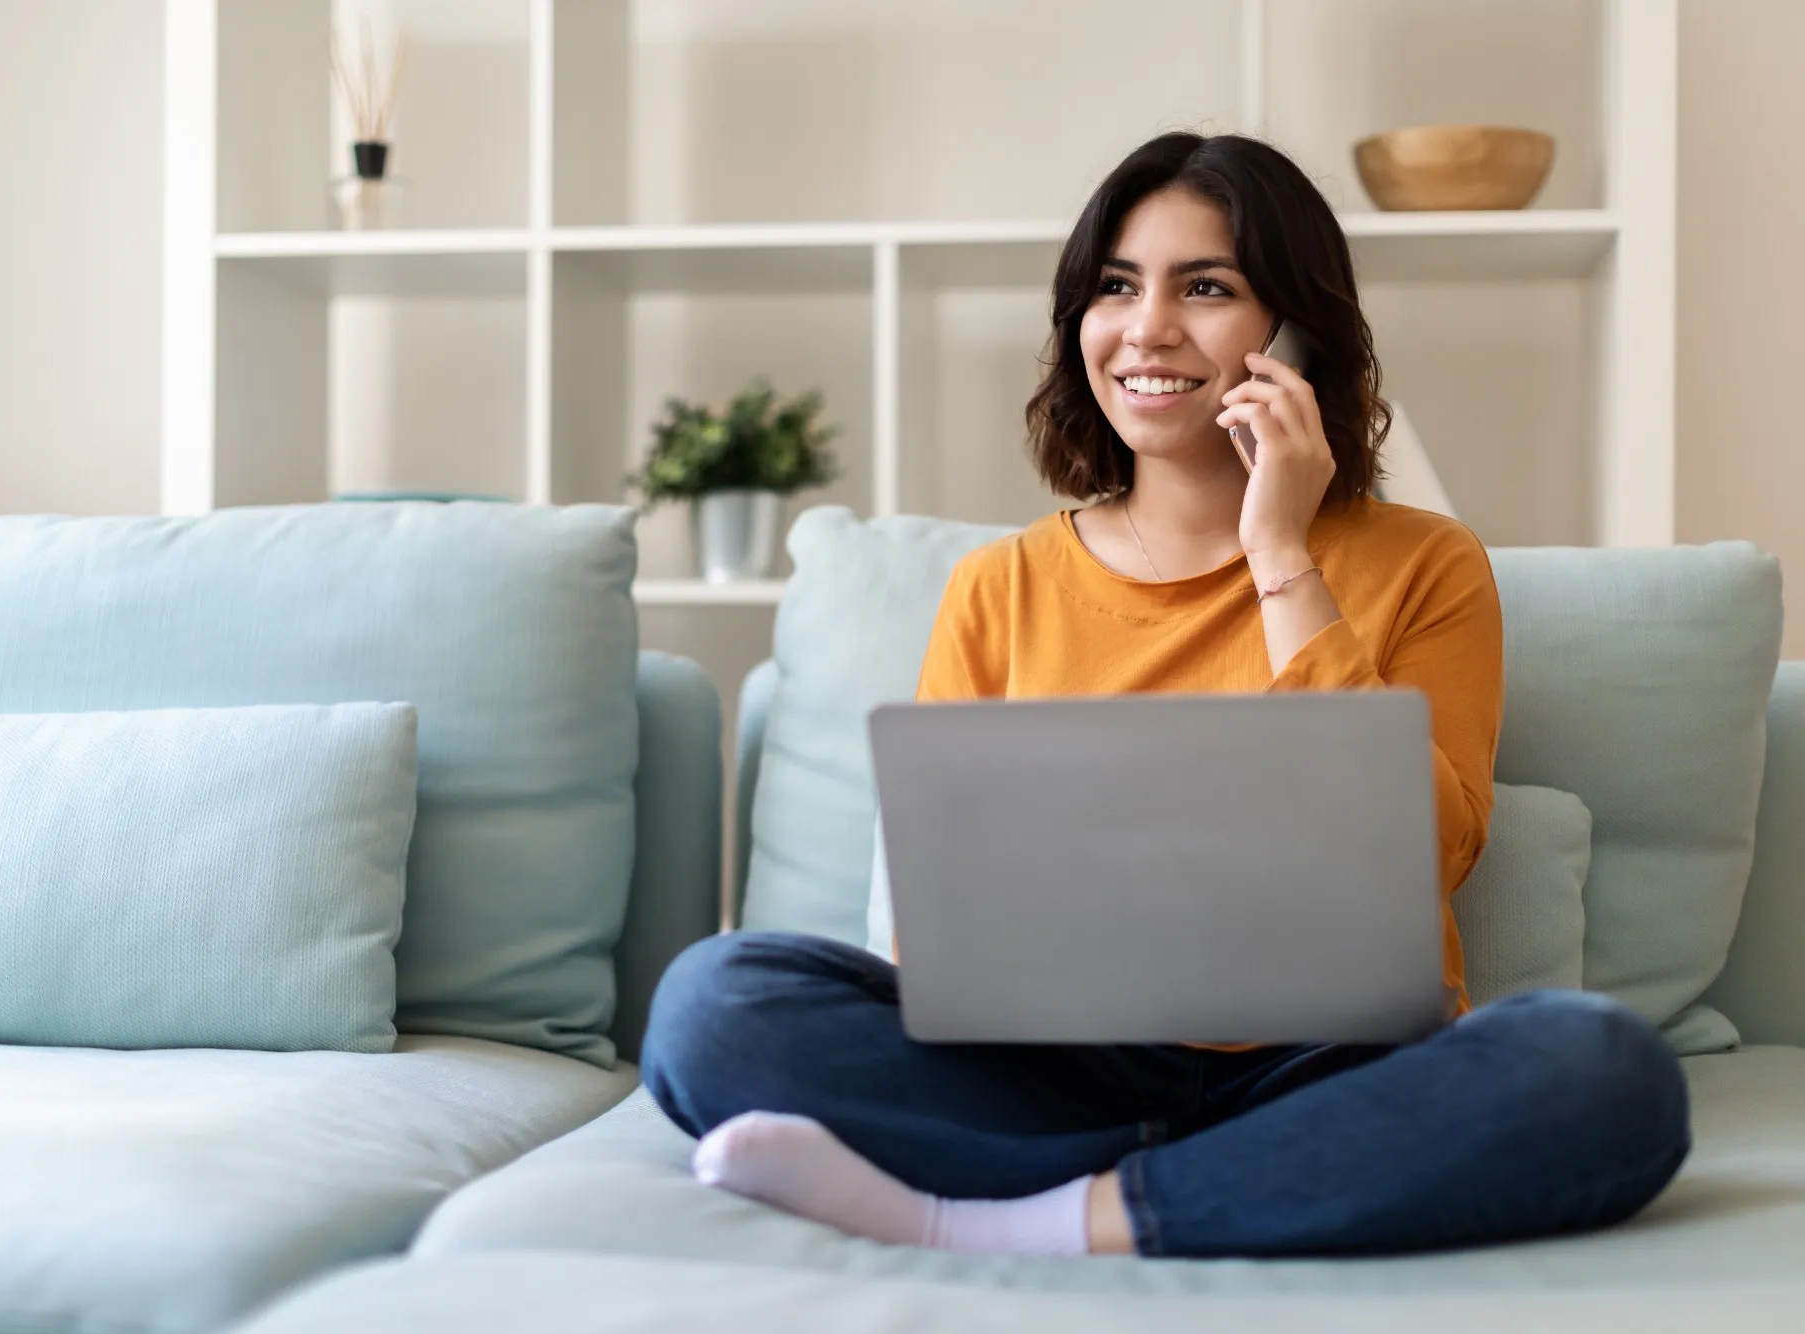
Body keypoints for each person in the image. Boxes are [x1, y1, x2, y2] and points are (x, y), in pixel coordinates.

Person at [639, 132, 1690, 1260]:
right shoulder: (998, 588)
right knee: (712, 1003)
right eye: (1112, 287)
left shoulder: (1426, 565)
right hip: (1055, 1073)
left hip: (1333, 1070)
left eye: (1205, 288)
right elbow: (937, 919)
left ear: (1293, 330)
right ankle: (1230, 1193)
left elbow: (1425, 848)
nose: (1145, 329)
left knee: (1602, 1071)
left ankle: (1022, 1216)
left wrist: (1280, 552)